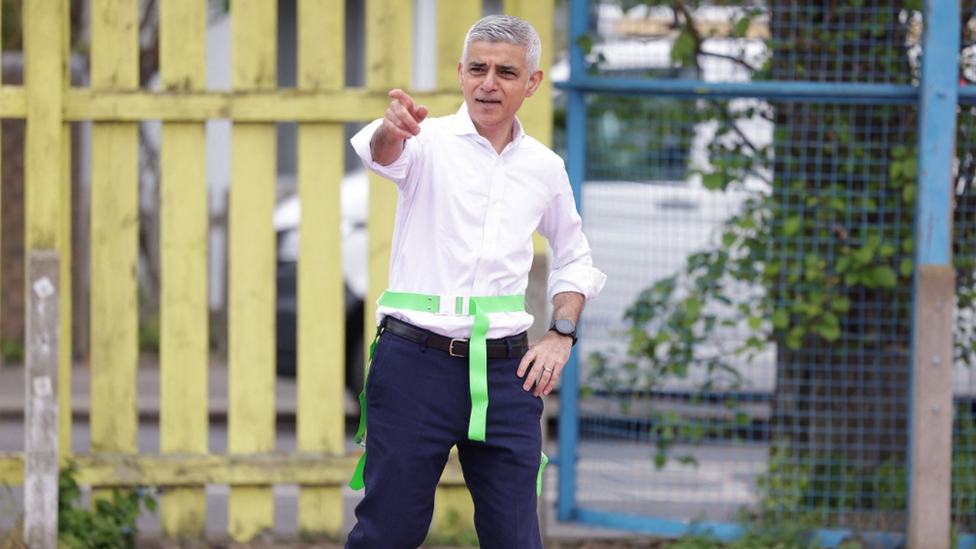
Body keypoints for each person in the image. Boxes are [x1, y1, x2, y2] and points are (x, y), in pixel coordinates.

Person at [345, 14, 606, 549]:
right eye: (478, 69)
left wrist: (560, 335)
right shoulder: (426, 141)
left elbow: (574, 258)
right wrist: (391, 129)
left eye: (506, 72)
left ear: (531, 83)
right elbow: (382, 154)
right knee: (388, 533)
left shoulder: (544, 167)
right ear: (461, 72)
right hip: (413, 363)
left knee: (516, 537)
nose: (489, 83)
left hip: (509, 374)